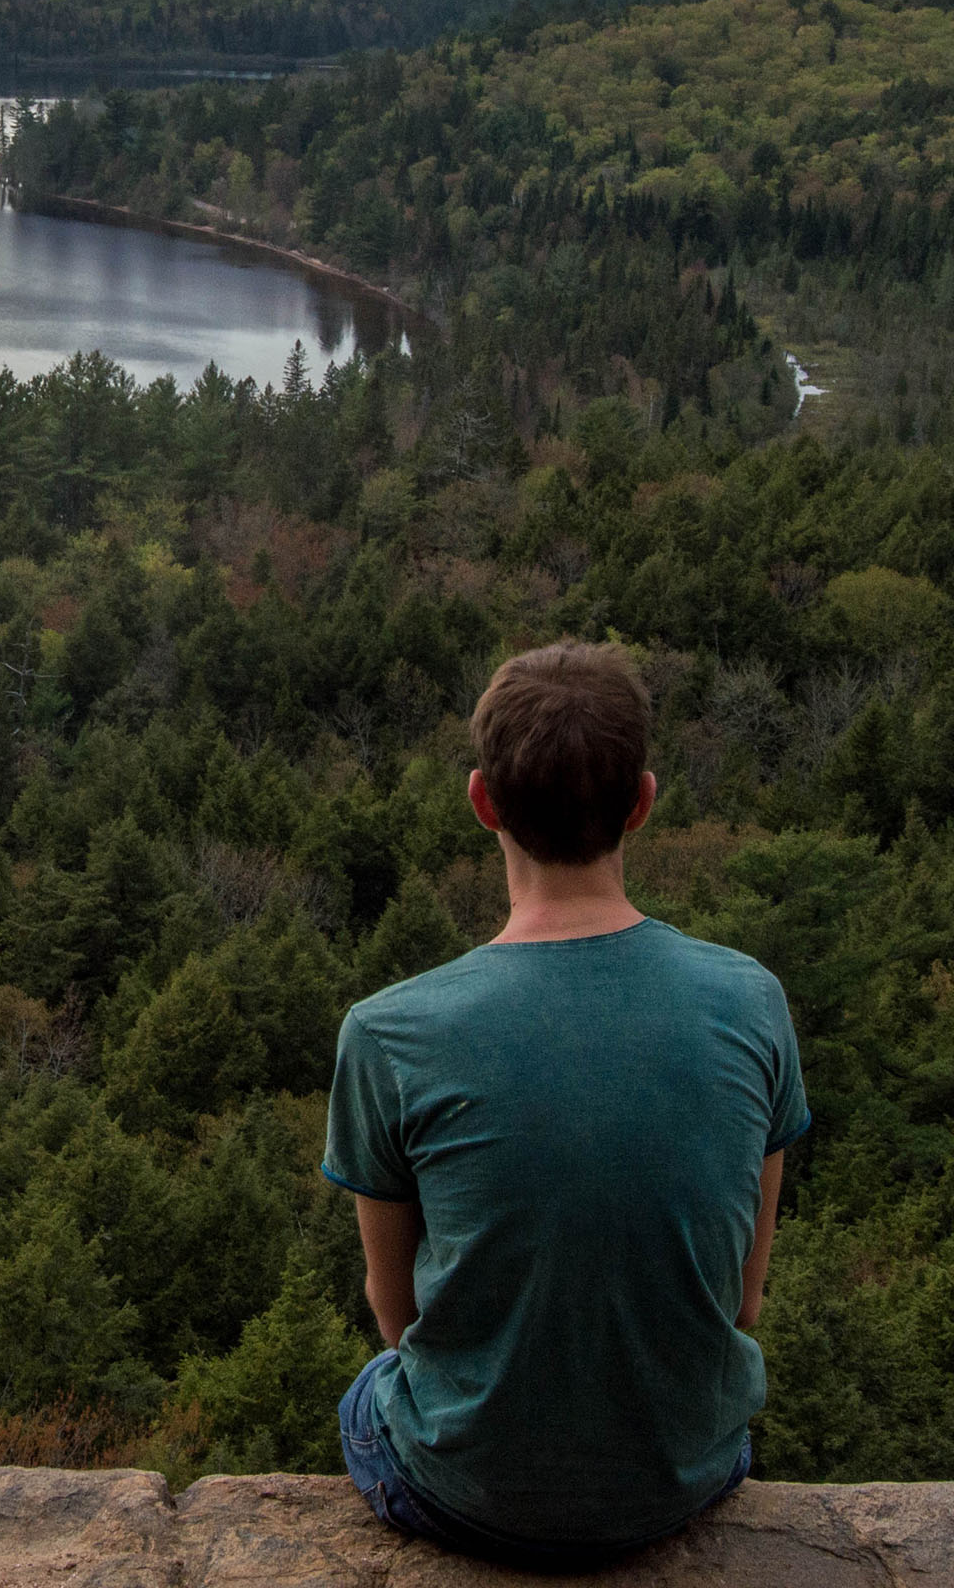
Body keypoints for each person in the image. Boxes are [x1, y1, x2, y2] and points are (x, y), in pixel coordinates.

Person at [321, 641, 809, 1572]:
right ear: (643, 801)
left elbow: (398, 1322)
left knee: (375, 1384)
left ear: (481, 802)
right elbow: (741, 1303)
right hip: (686, 1474)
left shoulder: (387, 1035)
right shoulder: (753, 1002)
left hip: (472, 1497)